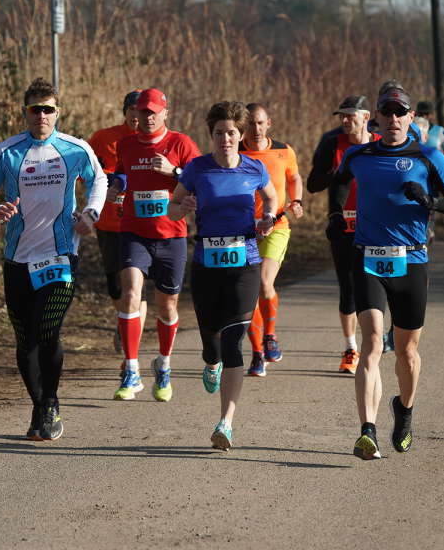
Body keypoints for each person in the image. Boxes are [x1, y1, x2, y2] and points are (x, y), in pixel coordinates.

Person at [333, 86, 444, 460]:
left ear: (411, 118)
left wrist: (431, 201)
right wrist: (336, 216)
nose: (393, 119)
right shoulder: (360, 155)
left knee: (407, 352)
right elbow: (340, 180)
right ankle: (367, 431)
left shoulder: (427, 156)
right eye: (387, 112)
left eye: (400, 112)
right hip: (369, 259)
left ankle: (405, 411)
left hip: (411, 261)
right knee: (373, 341)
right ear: (376, 117)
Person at [0, 77, 107, 441]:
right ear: (25, 112)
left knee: (47, 330)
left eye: (48, 109)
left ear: (57, 112)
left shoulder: (74, 149)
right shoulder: (7, 153)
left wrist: (90, 213)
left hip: (60, 257)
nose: (42, 116)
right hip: (19, 259)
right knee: (26, 342)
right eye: (35, 109)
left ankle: (50, 402)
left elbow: (100, 180)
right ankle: (39, 405)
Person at [168, 101, 277, 449]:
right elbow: (172, 206)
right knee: (211, 342)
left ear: (240, 134)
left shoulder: (254, 168)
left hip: (245, 262)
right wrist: (182, 208)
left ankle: (225, 422)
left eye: (231, 132)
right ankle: (209, 360)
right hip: (207, 264)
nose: (225, 138)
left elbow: (272, 200)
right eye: (219, 133)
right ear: (211, 135)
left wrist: (268, 218)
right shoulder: (197, 169)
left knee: (233, 342)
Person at [108, 88, 200, 401]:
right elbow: (122, 174)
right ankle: (131, 370)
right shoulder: (126, 144)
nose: (146, 118)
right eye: (142, 112)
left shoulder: (181, 143)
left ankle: (164, 363)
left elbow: (203, 179)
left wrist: (173, 172)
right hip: (134, 231)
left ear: (165, 113)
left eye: (152, 112)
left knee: (167, 306)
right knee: (131, 293)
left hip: (171, 235)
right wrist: (117, 184)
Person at [307, 95, 377, 375]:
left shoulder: (380, 142)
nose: (346, 121)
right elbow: (313, 184)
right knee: (348, 289)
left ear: (366, 117)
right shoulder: (331, 142)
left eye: (351, 116)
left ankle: (379, 334)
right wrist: (335, 173)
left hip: (376, 227)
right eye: (342, 116)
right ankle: (350, 348)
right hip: (343, 225)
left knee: (376, 284)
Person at [239, 103, 303, 376]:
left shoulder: (283, 150)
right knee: (249, 295)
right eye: (251, 123)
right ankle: (256, 354)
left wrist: (297, 200)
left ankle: (271, 336)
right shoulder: (235, 152)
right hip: (242, 230)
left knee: (264, 284)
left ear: (269, 124)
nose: (256, 129)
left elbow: (295, 177)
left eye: (261, 123)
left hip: (276, 226)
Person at [87, 90, 147, 350]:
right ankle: (124, 320)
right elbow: (84, 171)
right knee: (115, 286)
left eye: (143, 110)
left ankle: (129, 331)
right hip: (110, 224)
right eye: (132, 109)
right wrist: (105, 181)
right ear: (125, 111)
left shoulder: (155, 142)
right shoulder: (103, 138)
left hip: (143, 224)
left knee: (136, 285)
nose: (137, 114)